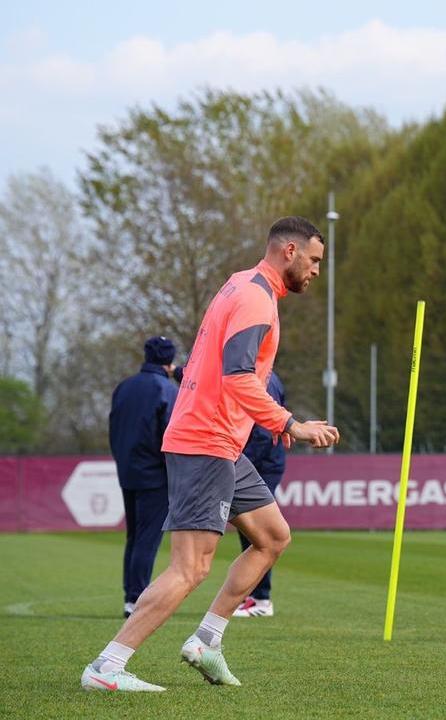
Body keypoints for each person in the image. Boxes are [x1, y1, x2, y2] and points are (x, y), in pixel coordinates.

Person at [81, 216, 340, 693]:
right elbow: (237, 376)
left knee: (273, 537)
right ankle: (107, 664)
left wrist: (264, 421)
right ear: (289, 251)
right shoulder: (255, 298)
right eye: (315, 259)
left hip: (221, 441)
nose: (317, 270)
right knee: (191, 568)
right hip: (205, 442)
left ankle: (207, 641)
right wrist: (288, 423)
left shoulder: (240, 283)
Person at [109, 335, 179, 619]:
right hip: (155, 474)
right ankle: (136, 598)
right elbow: (171, 435)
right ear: (169, 360)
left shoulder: (124, 387)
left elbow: (114, 428)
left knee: (134, 536)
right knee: (147, 539)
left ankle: (130, 595)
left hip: (127, 470)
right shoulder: (167, 389)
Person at [233, 370, 287, 618]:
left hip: (261, 464)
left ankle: (261, 599)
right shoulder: (261, 375)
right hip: (262, 463)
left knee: (259, 532)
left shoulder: (262, 380)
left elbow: (264, 431)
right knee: (253, 531)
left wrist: (241, 465)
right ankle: (254, 596)